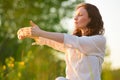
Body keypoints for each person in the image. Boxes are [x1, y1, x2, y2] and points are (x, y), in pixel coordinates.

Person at [17, 3, 106, 80]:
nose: (75, 18)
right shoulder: (72, 44)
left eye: (80, 15)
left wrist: (41, 32)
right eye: (75, 15)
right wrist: (33, 34)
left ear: (91, 19)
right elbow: (54, 42)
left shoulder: (98, 41)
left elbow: (74, 41)